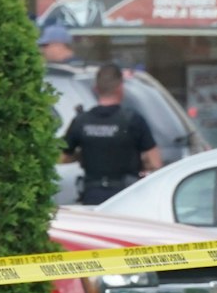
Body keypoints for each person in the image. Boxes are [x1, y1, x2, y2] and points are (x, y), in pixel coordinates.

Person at [63, 63, 162, 204]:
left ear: (95, 89)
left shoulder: (81, 121)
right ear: (120, 88)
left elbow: (62, 157)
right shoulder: (133, 120)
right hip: (126, 195)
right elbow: (155, 162)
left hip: (92, 194)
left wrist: (82, 155)